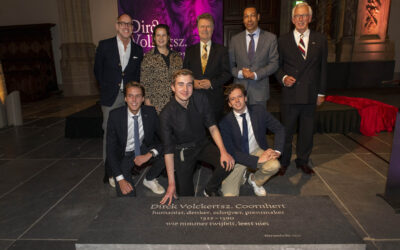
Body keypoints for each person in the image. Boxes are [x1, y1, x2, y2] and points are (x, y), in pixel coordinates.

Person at [159, 69, 235, 205]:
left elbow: (212, 127)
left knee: (227, 163)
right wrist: (171, 184)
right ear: (173, 87)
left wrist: (224, 152)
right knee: (186, 197)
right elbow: (168, 151)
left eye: (189, 84)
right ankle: (179, 179)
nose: (185, 89)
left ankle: (209, 189)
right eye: (180, 84)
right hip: (183, 152)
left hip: (202, 144)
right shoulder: (166, 114)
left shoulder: (201, 99)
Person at [275, 2, 327, 176]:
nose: (301, 19)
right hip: (290, 94)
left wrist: (321, 92)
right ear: (292, 19)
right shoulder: (283, 40)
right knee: (286, 131)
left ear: (310, 18)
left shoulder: (320, 40)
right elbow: (277, 66)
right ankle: (283, 162)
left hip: (311, 94)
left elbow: (323, 68)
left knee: (307, 131)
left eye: (304, 16)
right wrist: (283, 78)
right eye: (297, 16)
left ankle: (303, 161)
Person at [94, 13, 143, 187]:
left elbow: (137, 75)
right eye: (123, 23)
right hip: (111, 97)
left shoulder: (138, 49)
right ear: (117, 26)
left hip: (131, 98)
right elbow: (97, 71)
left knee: (131, 131)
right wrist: (108, 87)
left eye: (130, 24)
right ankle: (111, 172)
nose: (126, 27)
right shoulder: (105, 45)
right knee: (110, 133)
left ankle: (128, 167)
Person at [219, 84, 285, 196]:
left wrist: (277, 151)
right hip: (237, 159)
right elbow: (231, 152)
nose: (237, 101)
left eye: (239, 96)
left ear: (245, 98)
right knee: (229, 196)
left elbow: (279, 128)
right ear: (229, 104)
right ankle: (241, 175)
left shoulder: (258, 111)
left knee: (274, 165)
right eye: (232, 99)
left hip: (256, 149)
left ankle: (255, 180)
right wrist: (256, 160)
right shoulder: (225, 123)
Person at [106, 82, 165, 197]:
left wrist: (149, 154)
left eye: (138, 96)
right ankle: (116, 176)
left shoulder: (150, 112)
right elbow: (111, 150)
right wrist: (120, 179)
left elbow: (164, 139)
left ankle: (149, 178)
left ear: (143, 99)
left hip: (142, 149)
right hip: (122, 156)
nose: (134, 100)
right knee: (128, 195)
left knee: (169, 150)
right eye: (130, 96)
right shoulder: (115, 116)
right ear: (125, 98)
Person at [183, 13, 231, 121]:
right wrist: (192, 82)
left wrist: (211, 83)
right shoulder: (190, 51)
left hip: (214, 101)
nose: (205, 29)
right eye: (202, 26)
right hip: (194, 100)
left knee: (214, 133)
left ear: (213, 29)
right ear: (197, 29)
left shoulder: (222, 50)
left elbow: (227, 74)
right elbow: (184, 72)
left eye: (208, 26)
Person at [229, 5, 279, 108]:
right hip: (239, 93)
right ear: (243, 20)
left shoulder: (271, 38)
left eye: (252, 16)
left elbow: (274, 64)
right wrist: (240, 73)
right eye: (246, 16)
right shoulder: (235, 40)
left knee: (259, 123)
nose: (249, 19)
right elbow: (230, 65)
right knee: (240, 123)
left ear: (258, 17)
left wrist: (255, 74)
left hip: (260, 93)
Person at [140, 24, 183, 113]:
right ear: (154, 38)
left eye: (164, 35)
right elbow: (145, 83)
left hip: (176, 102)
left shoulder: (177, 56)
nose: (161, 38)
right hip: (156, 104)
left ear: (168, 37)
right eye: (158, 35)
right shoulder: (148, 58)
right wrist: (148, 104)